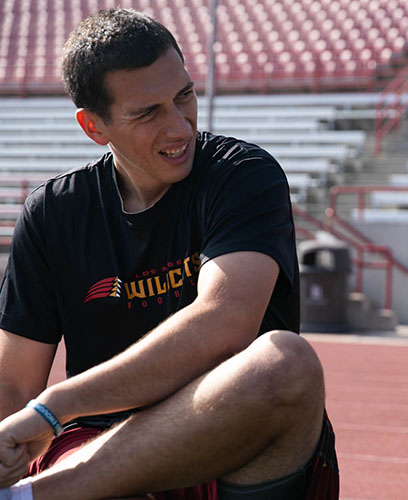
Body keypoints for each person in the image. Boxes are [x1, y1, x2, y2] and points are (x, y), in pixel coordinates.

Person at [0, 8, 338, 500]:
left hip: (226, 435)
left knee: (285, 363)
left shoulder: (243, 174)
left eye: (184, 95)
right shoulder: (52, 213)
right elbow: (13, 385)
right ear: (94, 127)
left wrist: (56, 406)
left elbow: (226, 322)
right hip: (93, 446)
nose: (180, 127)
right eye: (148, 112)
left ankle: (35, 498)